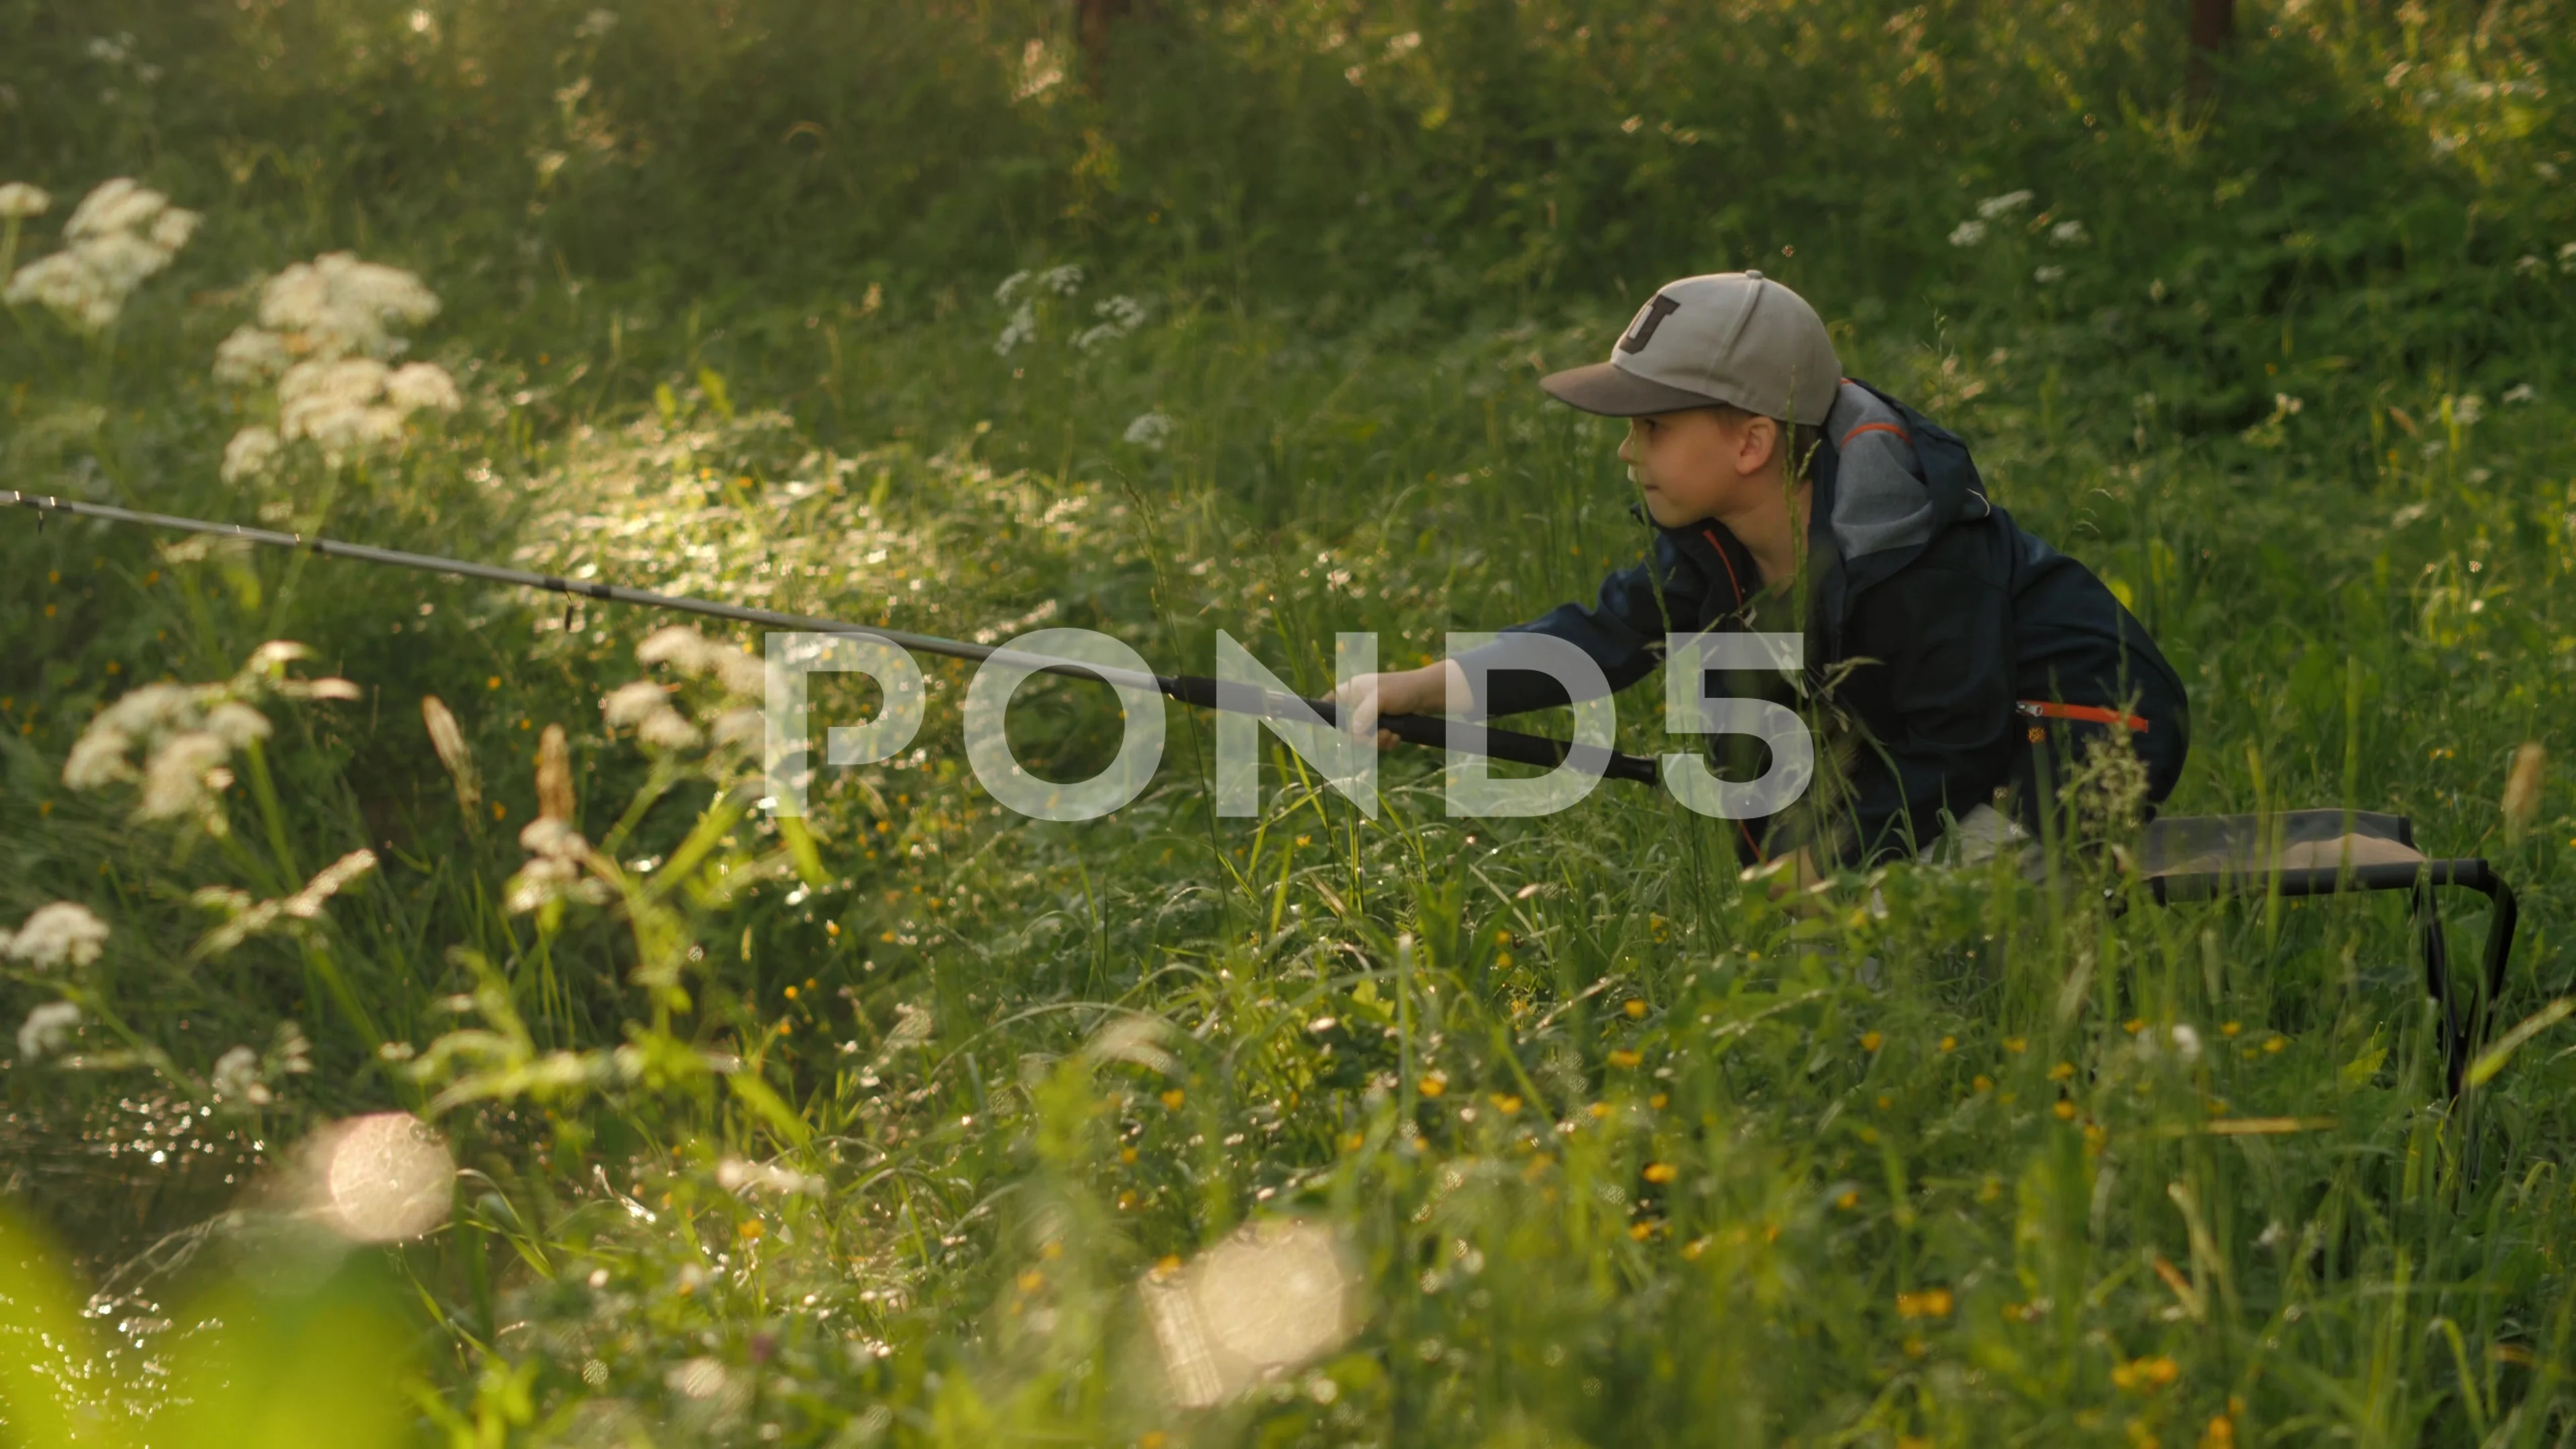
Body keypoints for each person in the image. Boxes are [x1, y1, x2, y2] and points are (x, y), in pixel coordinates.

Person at [1334, 270, 2189, 884]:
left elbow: (1958, 746)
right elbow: (1599, 640)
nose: (1630, 450)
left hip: (2077, 732)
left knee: (1906, 923)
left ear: (1752, 444)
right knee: (1837, 887)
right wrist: (1421, 689)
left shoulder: (1913, 555)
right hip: (1950, 742)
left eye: (1656, 425)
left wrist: (1827, 860)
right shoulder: (1711, 543)